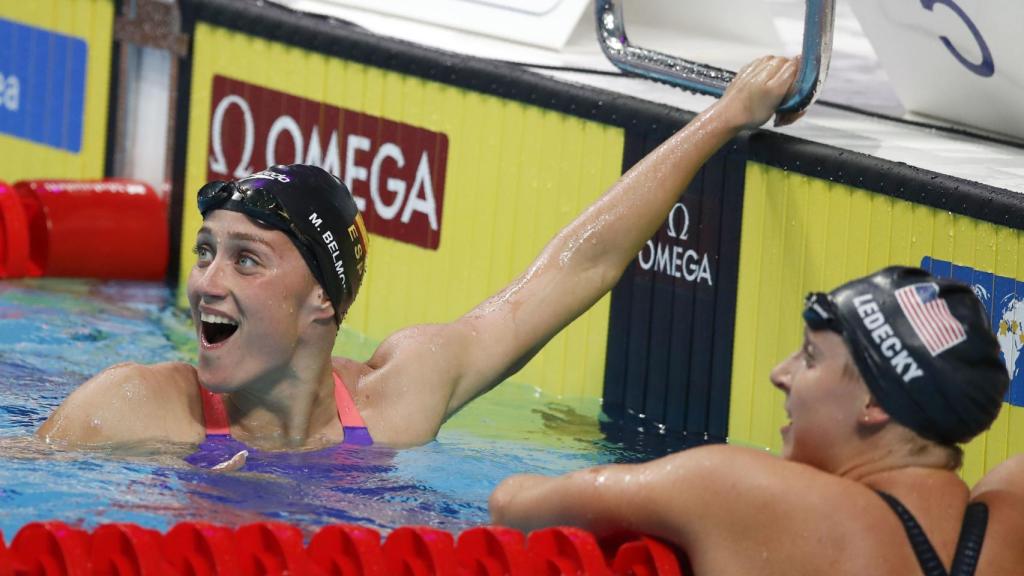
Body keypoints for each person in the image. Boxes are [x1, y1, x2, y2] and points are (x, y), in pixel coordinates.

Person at [37, 56, 801, 467]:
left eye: (247, 260)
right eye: (206, 252)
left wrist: (725, 118)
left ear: (322, 303)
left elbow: (577, 268)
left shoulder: (395, 404)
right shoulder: (134, 409)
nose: (207, 280)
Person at [489, 267, 1023, 575]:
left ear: (875, 406)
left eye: (811, 358)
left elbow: (513, 507)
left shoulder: (744, 491)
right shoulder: (1010, 524)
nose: (779, 373)